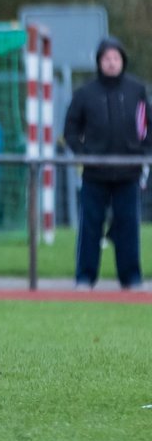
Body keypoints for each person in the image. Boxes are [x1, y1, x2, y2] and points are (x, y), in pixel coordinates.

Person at [63, 37, 150, 290]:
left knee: (128, 227)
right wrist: (82, 153)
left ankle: (131, 278)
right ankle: (85, 278)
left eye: (116, 58)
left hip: (128, 173)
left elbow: (146, 126)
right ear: (99, 62)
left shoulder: (137, 90)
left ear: (122, 61)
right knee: (90, 227)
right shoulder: (84, 93)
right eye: (106, 59)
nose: (111, 63)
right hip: (94, 175)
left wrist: (143, 152)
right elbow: (70, 129)